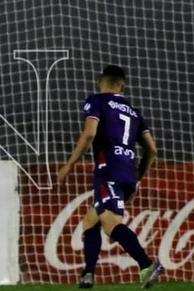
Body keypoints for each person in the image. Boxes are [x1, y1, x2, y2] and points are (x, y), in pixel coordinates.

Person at [57, 65, 162, 289]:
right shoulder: (134, 112)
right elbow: (152, 149)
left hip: (108, 171)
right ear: (122, 86)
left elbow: (90, 132)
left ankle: (147, 265)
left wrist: (68, 165)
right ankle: (88, 274)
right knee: (90, 221)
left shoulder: (96, 101)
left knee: (110, 223)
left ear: (99, 81)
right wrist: (137, 180)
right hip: (128, 172)